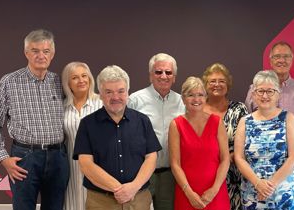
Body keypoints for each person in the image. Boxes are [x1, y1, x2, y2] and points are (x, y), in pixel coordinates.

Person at [0, 29, 68, 210]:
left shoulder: (60, 82)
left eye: (46, 51)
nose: (41, 56)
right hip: (25, 158)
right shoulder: (9, 82)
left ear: (52, 54)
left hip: (58, 158)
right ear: (26, 53)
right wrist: (3, 158)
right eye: (35, 50)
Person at [73, 65, 161, 209]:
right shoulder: (87, 124)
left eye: (121, 91)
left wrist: (133, 187)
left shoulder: (142, 121)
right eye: (108, 92)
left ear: (127, 92)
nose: (115, 97)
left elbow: (151, 158)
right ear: (100, 94)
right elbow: (86, 164)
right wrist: (119, 189)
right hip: (101, 202)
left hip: (138, 199)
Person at [245, 41, 294, 188]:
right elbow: (248, 122)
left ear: (292, 59)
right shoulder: (254, 89)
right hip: (260, 161)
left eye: (286, 56)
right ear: (270, 60)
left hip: (293, 160)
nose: (282, 60)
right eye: (277, 56)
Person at [235, 70, 294, 209]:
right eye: (260, 91)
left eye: (270, 91)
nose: (265, 95)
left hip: (282, 193)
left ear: (278, 94)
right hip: (252, 192)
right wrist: (258, 184)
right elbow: (239, 158)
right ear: (253, 94)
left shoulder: (288, 119)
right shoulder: (244, 122)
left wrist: (270, 186)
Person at [128, 53, 185, 210]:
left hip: (170, 175)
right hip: (141, 173)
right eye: (158, 72)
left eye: (168, 72)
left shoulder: (182, 102)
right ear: (150, 75)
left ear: (174, 77)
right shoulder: (135, 100)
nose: (163, 76)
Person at [169, 77, 231, 210]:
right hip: (187, 193)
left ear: (205, 97)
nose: (196, 99)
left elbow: (225, 159)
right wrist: (189, 193)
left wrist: (214, 190)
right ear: (183, 99)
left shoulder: (217, 122)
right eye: (191, 95)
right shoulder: (176, 125)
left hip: (215, 192)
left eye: (200, 95)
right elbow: (175, 164)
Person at [201, 63, 249, 210]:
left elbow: (247, 142)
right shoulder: (196, 108)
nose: (217, 85)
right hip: (204, 173)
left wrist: (227, 159)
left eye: (221, 81)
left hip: (233, 175)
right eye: (212, 81)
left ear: (228, 85)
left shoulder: (239, 109)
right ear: (205, 85)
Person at [61, 62, 103, 210]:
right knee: (72, 204)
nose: (81, 80)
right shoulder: (61, 107)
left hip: (98, 165)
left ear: (90, 78)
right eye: (75, 77)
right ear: (68, 83)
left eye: (84, 76)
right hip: (70, 167)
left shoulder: (102, 104)